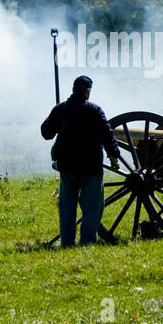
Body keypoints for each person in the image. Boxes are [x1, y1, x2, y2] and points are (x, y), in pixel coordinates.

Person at [40, 75, 119, 246]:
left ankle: (67, 243)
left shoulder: (61, 109)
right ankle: (88, 242)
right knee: (91, 207)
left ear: (74, 90)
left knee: (67, 207)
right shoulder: (95, 110)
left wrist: (56, 118)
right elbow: (108, 135)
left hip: (67, 165)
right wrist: (114, 156)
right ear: (87, 92)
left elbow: (46, 132)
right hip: (91, 166)